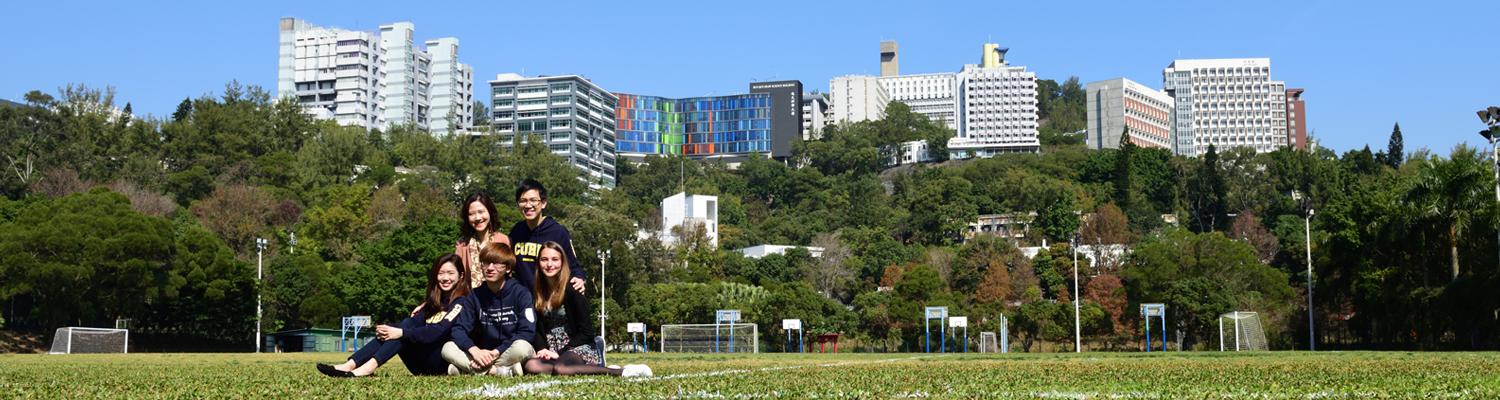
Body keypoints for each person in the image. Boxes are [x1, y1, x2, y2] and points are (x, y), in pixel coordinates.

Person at [317, 254, 471, 378]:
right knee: (403, 325)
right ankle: (350, 365)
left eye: (450, 273)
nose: (445, 278)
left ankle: (366, 368)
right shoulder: (433, 302)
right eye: (441, 273)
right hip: (420, 365)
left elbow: (438, 332)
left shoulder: (461, 302)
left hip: (439, 364)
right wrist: (390, 330)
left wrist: (400, 332)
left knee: (402, 332)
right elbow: (410, 323)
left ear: (461, 276)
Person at [523, 242, 652, 377]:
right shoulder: (536, 292)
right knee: (531, 365)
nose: (549, 264)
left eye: (555, 259)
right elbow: (537, 328)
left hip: (576, 346)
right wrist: (542, 349)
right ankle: (586, 368)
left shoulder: (573, 289)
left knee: (561, 368)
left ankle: (620, 371)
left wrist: (560, 352)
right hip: (552, 349)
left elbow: (587, 332)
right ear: (538, 263)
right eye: (544, 259)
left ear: (563, 262)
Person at [443, 242, 536, 376]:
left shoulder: (521, 293)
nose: (490, 268)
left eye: (496, 263)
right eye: (485, 263)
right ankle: (499, 372)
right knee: (448, 348)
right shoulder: (475, 295)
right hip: (482, 353)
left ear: (508, 268)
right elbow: (458, 329)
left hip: (507, 350)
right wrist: (474, 351)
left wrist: (497, 351)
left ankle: (471, 370)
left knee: (522, 347)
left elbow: (527, 331)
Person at [509, 179, 586, 294]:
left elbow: (574, 266)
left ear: (543, 203)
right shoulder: (516, 231)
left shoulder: (558, 232)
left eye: (533, 200)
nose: (528, 205)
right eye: (523, 201)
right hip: (522, 301)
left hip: (550, 301)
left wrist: (579, 279)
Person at [456, 192, 511, 289]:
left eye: (481, 212)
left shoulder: (502, 240)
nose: (477, 218)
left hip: (499, 298)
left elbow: (508, 273)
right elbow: (457, 277)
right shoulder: (462, 245)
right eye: (471, 214)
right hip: (471, 299)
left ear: (489, 212)